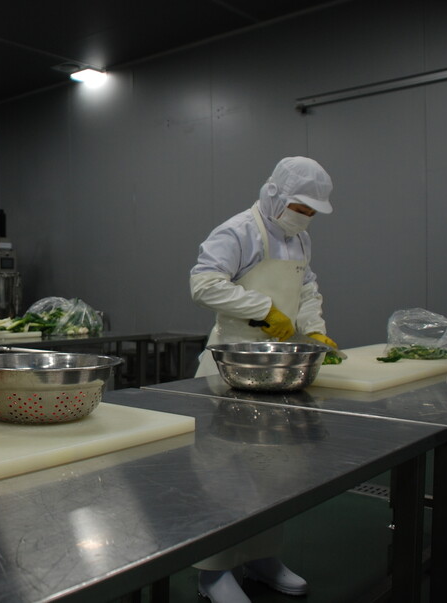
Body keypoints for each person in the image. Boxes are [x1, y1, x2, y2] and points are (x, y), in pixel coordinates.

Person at [188, 156, 340, 602]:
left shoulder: (300, 240)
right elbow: (203, 284)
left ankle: (261, 558)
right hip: (229, 366)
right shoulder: (239, 231)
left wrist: (311, 326)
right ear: (275, 195)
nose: (304, 217)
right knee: (223, 474)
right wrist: (263, 310)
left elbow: (307, 288)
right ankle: (214, 573)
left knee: (276, 469)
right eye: (300, 207)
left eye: (312, 212)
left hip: (277, 368)